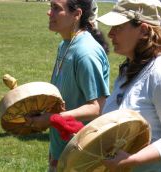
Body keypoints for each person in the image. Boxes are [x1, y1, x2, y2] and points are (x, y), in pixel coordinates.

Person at [25, 0, 110, 171]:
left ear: (76, 15)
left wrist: (50, 119)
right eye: (51, 7)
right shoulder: (65, 44)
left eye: (56, 8)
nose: (49, 13)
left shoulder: (86, 53)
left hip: (81, 153)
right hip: (61, 145)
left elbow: (97, 108)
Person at [97, 0, 161, 171]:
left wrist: (133, 159)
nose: (110, 34)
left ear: (143, 30)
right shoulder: (128, 70)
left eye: (118, 27)